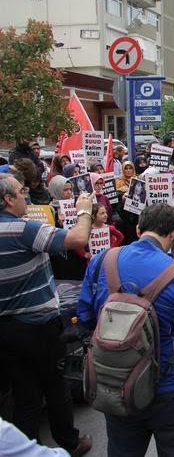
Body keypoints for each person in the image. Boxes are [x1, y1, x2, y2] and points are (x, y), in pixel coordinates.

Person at [77, 203, 174, 457]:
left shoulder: (102, 261)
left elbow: (86, 316)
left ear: (137, 228)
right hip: (171, 385)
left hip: (116, 382)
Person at [0, 173, 94, 456]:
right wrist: (83, 210)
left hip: (5, 328)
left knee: (25, 394)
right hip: (37, 327)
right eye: (21, 191)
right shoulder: (23, 230)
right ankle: (70, 442)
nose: (26, 195)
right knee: (55, 386)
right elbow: (79, 238)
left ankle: (25, 448)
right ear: (7, 199)